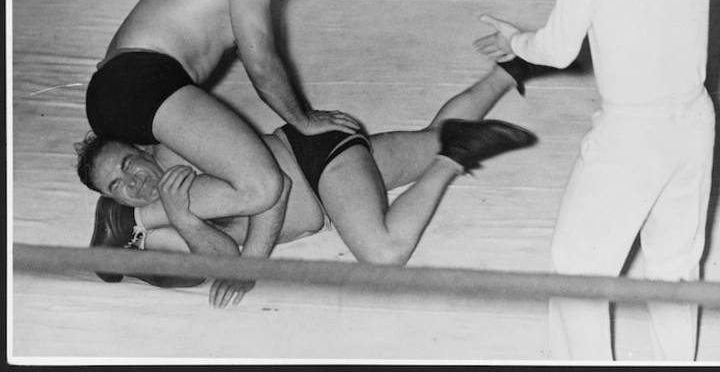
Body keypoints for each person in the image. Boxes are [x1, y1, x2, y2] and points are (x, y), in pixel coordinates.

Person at [474, 0, 715, 361]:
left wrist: (514, 38)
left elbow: (557, 50)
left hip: (633, 134)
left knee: (576, 264)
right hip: (695, 125)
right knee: (675, 266)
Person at [77, 65, 538, 307]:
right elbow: (222, 261)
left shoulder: (176, 153)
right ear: (113, 198)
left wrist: (251, 265)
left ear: (141, 149)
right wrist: (183, 221)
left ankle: (453, 158)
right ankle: (508, 71)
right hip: (337, 174)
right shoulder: (168, 219)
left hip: (317, 160)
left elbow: (271, 189)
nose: (133, 181)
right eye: (118, 188)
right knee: (430, 135)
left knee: (383, 252)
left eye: (127, 164)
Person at [85, 0, 363, 280]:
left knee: (191, 186)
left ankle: (142, 235)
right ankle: (128, 218)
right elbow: (261, 64)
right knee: (262, 185)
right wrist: (303, 119)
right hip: (140, 82)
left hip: (125, 94)